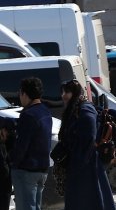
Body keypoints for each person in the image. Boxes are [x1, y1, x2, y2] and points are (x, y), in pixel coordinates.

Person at [58, 80, 115, 210]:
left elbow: (89, 136)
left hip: (87, 164)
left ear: (75, 93)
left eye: (66, 92)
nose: (63, 95)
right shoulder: (75, 108)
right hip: (79, 163)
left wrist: (80, 158)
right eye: (63, 92)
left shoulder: (85, 108)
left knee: (89, 200)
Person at [9, 77, 51, 210]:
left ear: (25, 94)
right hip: (42, 169)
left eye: (20, 93)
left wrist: (12, 162)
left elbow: (22, 146)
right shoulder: (45, 112)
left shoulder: (28, 115)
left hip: (26, 171)